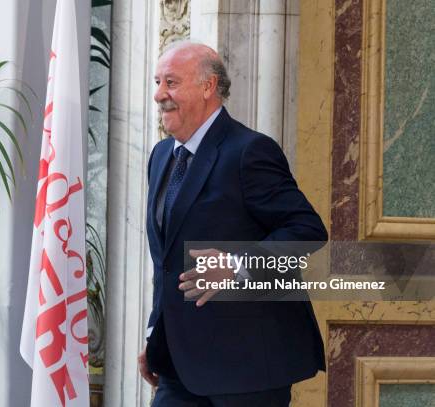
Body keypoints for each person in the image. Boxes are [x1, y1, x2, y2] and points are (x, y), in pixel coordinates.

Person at [138, 42, 328, 406]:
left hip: (248, 370)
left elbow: (306, 231)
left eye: (172, 83)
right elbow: (166, 262)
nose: (159, 94)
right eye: (158, 81)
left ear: (208, 87)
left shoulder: (250, 151)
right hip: (178, 369)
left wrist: (237, 266)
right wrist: (155, 335)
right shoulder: (162, 155)